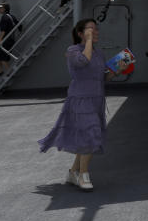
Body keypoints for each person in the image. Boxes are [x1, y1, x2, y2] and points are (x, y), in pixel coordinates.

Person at [38, 19, 112, 191]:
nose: (95, 32)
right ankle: (83, 175)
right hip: (80, 100)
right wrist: (87, 41)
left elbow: (103, 78)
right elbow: (83, 61)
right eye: (90, 30)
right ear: (80, 33)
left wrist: (118, 70)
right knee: (91, 132)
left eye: (96, 29)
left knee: (87, 136)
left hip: (96, 99)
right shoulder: (72, 51)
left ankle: (73, 172)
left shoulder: (100, 53)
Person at [0, 3, 17, 77]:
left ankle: (10, 73)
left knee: (2, 57)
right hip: (11, 39)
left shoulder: (4, 17)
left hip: (6, 40)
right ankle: (1, 71)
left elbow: (3, 31)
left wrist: (0, 41)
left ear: (4, 9)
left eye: (0, 8)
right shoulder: (11, 16)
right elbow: (19, 26)